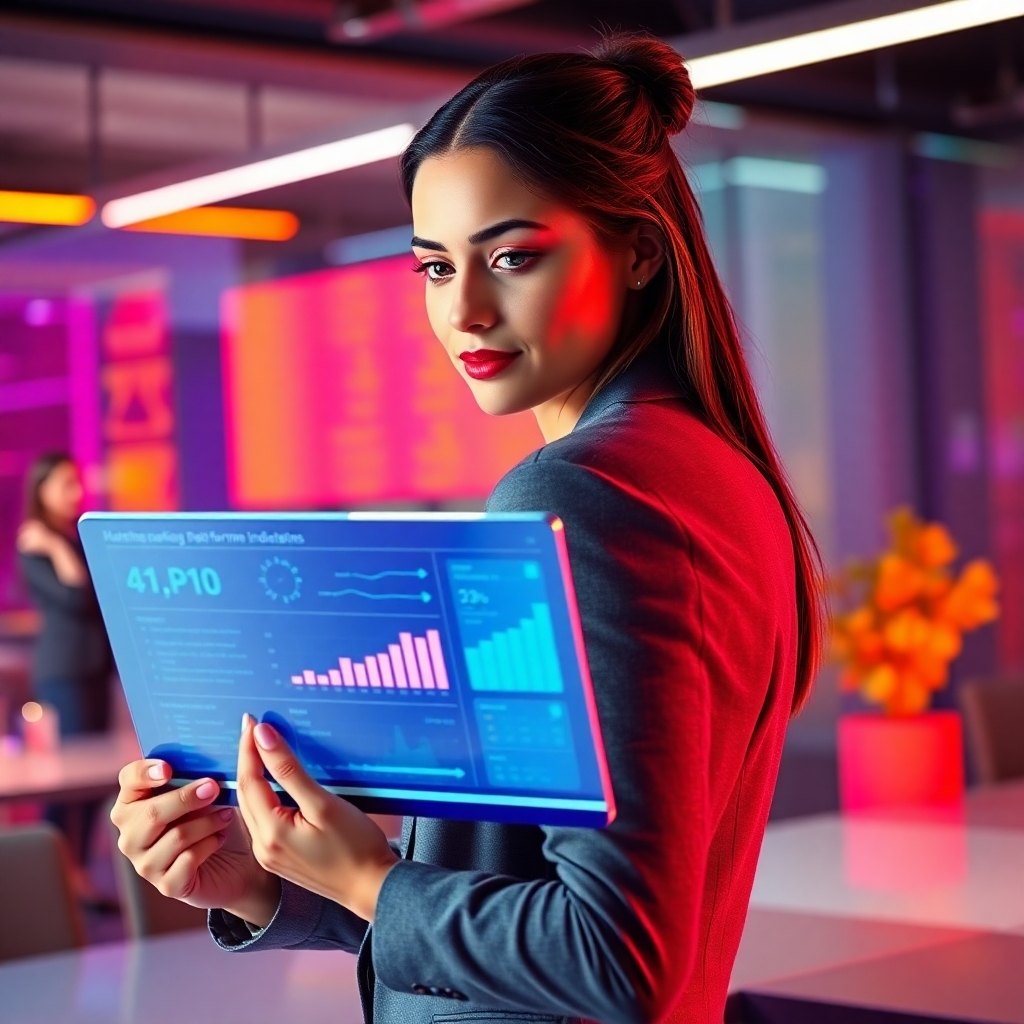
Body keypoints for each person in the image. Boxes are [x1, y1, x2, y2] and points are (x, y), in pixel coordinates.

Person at [110, 35, 825, 1023]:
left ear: (640, 251)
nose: (467, 312)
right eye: (435, 268)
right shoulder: (716, 475)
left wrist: (369, 881)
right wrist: (266, 882)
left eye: (512, 257)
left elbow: (616, 957)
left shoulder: (585, 493)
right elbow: (536, 926)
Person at [18, 452, 113, 879]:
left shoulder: (75, 538)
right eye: (65, 484)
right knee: (67, 783)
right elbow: (77, 598)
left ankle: (76, 873)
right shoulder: (35, 544)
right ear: (41, 490)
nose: (76, 492)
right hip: (64, 672)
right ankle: (53, 878)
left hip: (93, 668)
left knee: (94, 785)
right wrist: (55, 545)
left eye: (78, 483)